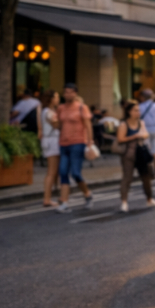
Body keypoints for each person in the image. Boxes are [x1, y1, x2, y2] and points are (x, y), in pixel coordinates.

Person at [54, 83, 94, 213]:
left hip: (78, 143)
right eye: (66, 92)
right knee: (63, 172)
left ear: (75, 93)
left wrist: (90, 142)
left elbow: (88, 126)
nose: (68, 94)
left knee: (76, 173)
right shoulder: (60, 108)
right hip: (63, 143)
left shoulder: (82, 108)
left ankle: (87, 194)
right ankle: (65, 202)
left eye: (71, 92)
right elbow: (59, 125)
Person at [115, 101, 155, 213]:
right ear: (129, 112)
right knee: (127, 178)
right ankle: (124, 202)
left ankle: (149, 199)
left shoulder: (141, 122)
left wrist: (141, 135)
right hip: (128, 154)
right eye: (135, 110)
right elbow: (120, 139)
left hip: (141, 153)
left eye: (138, 110)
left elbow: (145, 134)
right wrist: (135, 136)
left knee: (146, 177)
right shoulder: (123, 124)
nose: (138, 112)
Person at [39, 91, 61, 207]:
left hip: (52, 141)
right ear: (51, 99)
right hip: (52, 141)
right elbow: (57, 125)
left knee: (55, 171)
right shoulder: (48, 112)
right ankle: (47, 199)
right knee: (52, 171)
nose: (58, 98)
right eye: (56, 97)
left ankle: (59, 196)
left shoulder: (48, 111)